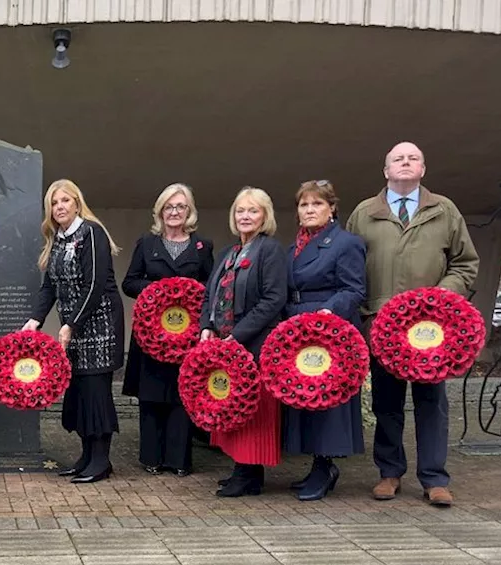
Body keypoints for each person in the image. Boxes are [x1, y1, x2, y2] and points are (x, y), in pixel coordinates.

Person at [344, 142, 479, 507]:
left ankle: (434, 479)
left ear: (423, 168)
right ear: (386, 171)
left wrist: (437, 299)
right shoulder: (363, 213)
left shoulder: (444, 210)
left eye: (413, 158)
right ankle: (389, 473)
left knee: (431, 402)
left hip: (430, 331)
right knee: (387, 402)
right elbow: (349, 267)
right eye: (397, 159)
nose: (405, 163)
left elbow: (465, 263)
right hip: (381, 327)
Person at [23, 179, 125, 484]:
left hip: (99, 325)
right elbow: (49, 287)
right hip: (75, 328)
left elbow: (94, 287)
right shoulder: (57, 239)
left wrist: (70, 325)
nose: (60, 207)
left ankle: (101, 461)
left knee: (95, 394)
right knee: (79, 393)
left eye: (65, 201)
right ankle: (85, 457)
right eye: (54, 203)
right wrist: (34, 320)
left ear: (77, 203)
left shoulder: (91, 233)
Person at [198, 187, 288, 497]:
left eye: (252, 211)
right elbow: (211, 293)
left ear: (265, 216)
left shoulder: (270, 250)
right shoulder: (228, 253)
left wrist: (239, 335)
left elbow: (274, 298)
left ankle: (250, 473)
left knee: (252, 410)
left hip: (255, 344)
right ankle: (242, 469)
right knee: (231, 406)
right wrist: (207, 326)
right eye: (240, 211)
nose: (245, 216)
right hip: (225, 346)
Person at [121, 183, 215, 477]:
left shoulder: (203, 247)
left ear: (189, 211)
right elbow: (130, 282)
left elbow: (210, 288)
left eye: (180, 207)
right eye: (169, 207)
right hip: (151, 335)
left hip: (186, 337)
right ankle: (151, 457)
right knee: (151, 395)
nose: (174, 212)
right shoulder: (146, 244)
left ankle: (179, 460)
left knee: (181, 394)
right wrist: (159, 291)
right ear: (160, 212)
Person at [282, 181, 367, 501]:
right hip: (298, 327)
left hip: (331, 332)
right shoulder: (294, 247)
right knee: (306, 399)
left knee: (327, 402)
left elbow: (354, 289)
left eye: (317, 204)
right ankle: (317, 465)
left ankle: (326, 466)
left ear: (332, 208)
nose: (309, 210)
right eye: (304, 205)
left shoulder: (346, 243)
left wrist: (326, 314)